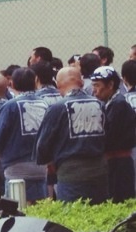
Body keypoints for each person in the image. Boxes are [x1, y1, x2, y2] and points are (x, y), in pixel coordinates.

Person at [35, 66, 108, 204]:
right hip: (100, 171)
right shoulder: (100, 104)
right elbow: (108, 136)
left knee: (73, 218)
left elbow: (42, 145)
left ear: (58, 85)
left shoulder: (58, 108)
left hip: (70, 174)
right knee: (101, 216)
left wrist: (49, 162)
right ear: (81, 82)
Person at [0, 68, 49, 203]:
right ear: (35, 82)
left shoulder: (10, 106)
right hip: (41, 168)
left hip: (16, 170)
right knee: (41, 212)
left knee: (18, 213)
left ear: (12, 84)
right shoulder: (45, 104)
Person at [90, 66, 135, 202]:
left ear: (110, 85)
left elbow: (109, 138)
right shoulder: (112, 103)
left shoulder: (118, 104)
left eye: (97, 85)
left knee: (118, 201)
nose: (94, 90)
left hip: (118, 164)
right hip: (117, 162)